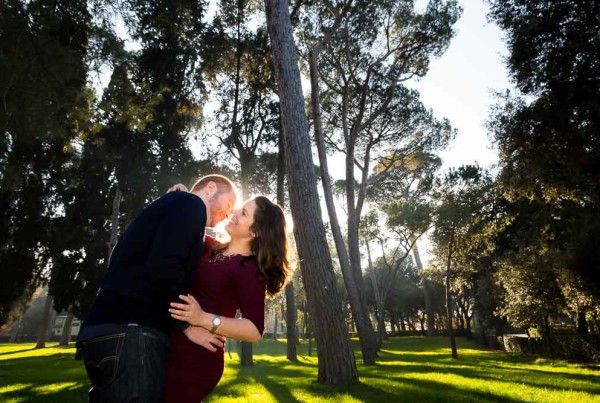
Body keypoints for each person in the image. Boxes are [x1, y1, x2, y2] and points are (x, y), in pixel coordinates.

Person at [76, 175, 237, 402]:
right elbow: (165, 267)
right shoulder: (191, 204)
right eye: (228, 206)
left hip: (105, 334)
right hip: (132, 335)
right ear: (210, 189)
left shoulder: (175, 206)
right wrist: (186, 326)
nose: (228, 215)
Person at [163, 193, 292, 402]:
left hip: (197, 357)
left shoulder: (249, 270)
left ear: (255, 231)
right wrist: (179, 195)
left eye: (243, 213)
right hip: (170, 340)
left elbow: (254, 330)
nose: (234, 213)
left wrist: (203, 319)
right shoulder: (209, 247)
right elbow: (180, 230)